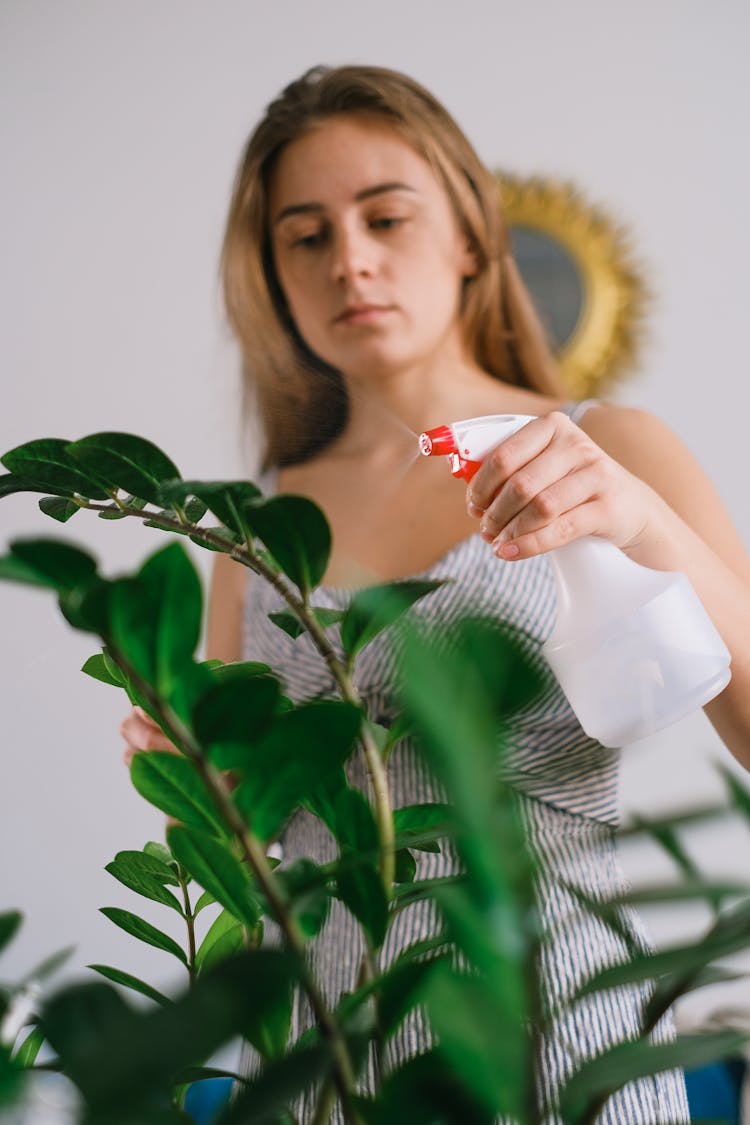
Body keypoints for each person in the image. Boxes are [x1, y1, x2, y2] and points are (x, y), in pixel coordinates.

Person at [121, 65, 750, 1122]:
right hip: (326, 1048)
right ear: (273, 276)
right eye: (306, 235)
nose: (351, 260)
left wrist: (642, 521)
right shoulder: (245, 524)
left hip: (558, 1029)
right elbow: (254, 844)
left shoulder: (611, 448)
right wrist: (200, 781)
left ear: (468, 236)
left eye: (385, 216)